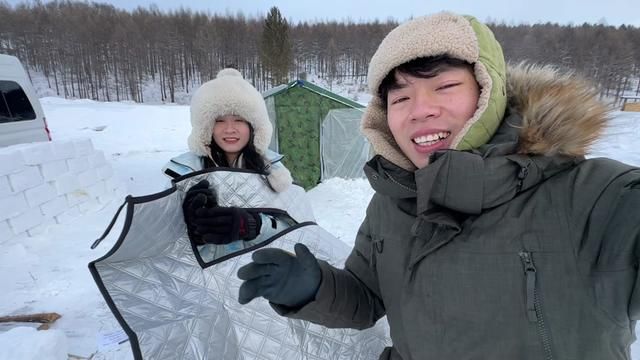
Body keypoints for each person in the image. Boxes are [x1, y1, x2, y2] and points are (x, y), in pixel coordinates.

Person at [216, 12, 640, 360]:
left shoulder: (592, 197)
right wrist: (315, 289)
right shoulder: (391, 202)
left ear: (488, 94)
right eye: (400, 98)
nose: (420, 110)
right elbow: (366, 298)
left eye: (445, 86)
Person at [168, 68, 293, 251]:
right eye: (219, 120)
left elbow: (297, 229)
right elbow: (159, 239)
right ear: (206, 127)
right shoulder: (182, 173)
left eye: (239, 119)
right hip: (205, 275)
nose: (229, 129)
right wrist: (190, 226)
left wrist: (252, 225)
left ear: (253, 126)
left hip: (260, 273)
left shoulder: (274, 171)